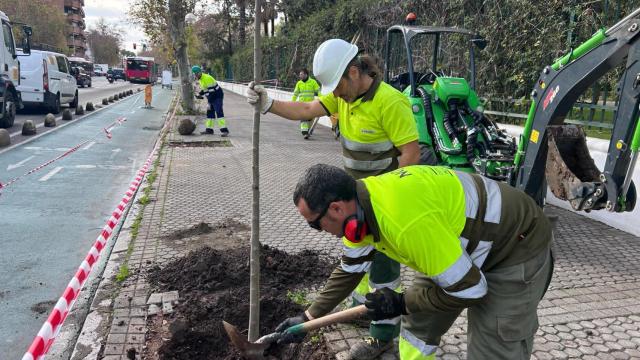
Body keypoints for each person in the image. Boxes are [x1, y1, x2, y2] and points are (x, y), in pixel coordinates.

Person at [248, 38, 421, 359]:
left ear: (354, 72)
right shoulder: (343, 96)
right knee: (355, 262)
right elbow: (306, 108)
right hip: (351, 203)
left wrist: (384, 198)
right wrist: (268, 104)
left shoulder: (390, 102)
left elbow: (411, 154)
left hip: (383, 205)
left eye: (339, 86)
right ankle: (362, 311)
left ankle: (382, 339)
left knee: (384, 273)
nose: (336, 94)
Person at [276, 163, 554, 360]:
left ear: (336, 208)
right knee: (418, 327)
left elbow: (471, 290)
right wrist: (308, 317)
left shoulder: (404, 223)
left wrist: (401, 303)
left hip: (514, 247)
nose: (318, 231)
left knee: (494, 349)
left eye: (315, 225)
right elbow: (349, 271)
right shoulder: (359, 207)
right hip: (451, 243)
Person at [192, 65, 229, 137]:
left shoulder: (207, 78)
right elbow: (205, 89)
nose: (195, 76)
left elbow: (212, 92)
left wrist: (209, 103)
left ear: (199, 72)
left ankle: (224, 131)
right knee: (210, 113)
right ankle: (209, 130)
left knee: (218, 111)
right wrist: (199, 94)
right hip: (211, 96)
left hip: (217, 96)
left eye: (196, 74)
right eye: (194, 74)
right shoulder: (201, 79)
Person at [291, 68, 320, 139]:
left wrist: (321, 99)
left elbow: (318, 91)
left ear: (306, 75)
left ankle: (307, 131)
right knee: (303, 119)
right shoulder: (299, 83)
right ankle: (304, 133)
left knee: (310, 119)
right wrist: (292, 103)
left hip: (311, 105)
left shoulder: (313, 82)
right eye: (300, 74)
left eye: (301, 74)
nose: (300, 76)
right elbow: (295, 94)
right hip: (302, 105)